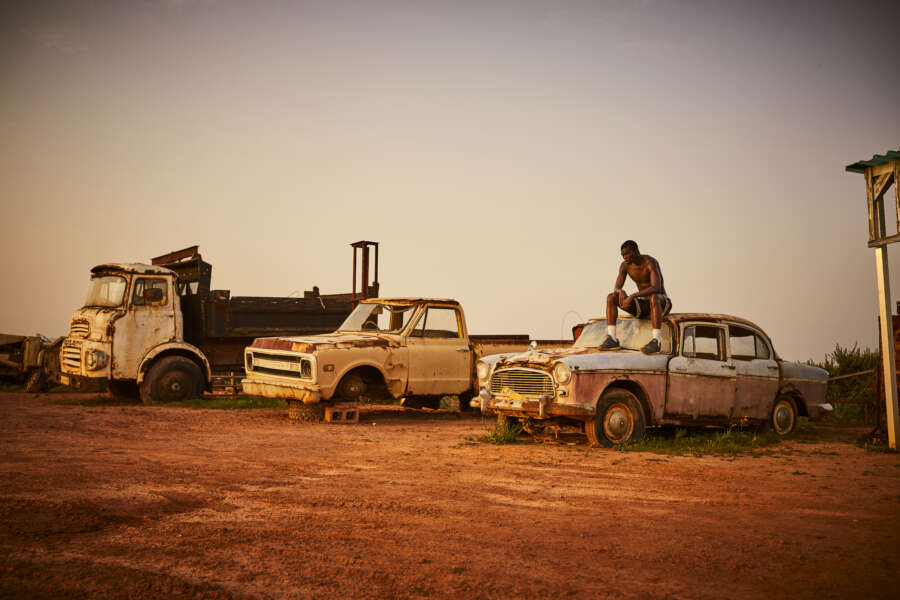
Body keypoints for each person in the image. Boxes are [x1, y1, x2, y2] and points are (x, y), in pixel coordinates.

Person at [602, 240, 672, 354]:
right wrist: (620, 291)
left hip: (661, 303)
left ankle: (656, 341)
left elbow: (656, 287)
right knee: (611, 297)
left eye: (627, 254)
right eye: (623, 255)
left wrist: (633, 296)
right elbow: (617, 286)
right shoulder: (625, 266)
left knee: (653, 296)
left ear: (636, 251)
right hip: (643, 306)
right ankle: (612, 338)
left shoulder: (650, 262)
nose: (625, 257)